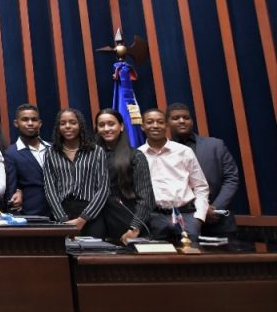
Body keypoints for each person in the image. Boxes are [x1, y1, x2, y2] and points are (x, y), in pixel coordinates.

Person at [166, 103, 240, 237]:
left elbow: (231, 178)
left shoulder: (215, 145)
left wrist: (216, 207)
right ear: (167, 123)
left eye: (186, 117)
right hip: (180, 223)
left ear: (192, 121)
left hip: (217, 221)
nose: (182, 121)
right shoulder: (162, 152)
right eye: (176, 118)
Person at [139, 108, 210, 243]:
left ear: (166, 125)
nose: (155, 126)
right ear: (143, 126)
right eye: (150, 122)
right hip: (154, 217)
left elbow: (200, 186)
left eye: (160, 122)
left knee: (191, 260)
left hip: (186, 216)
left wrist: (199, 217)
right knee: (158, 259)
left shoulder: (184, 151)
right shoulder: (137, 155)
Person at [42, 109, 109, 237]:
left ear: (80, 125)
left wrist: (83, 219)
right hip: (62, 212)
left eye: (72, 122)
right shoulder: (51, 153)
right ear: (58, 127)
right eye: (63, 123)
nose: (67, 126)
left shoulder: (96, 151)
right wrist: (63, 219)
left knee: (93, 255)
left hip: (91, 213)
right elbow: (50, 189)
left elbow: (103, 188)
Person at [95, 109, 154, 244]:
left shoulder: (136, 156)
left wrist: (135, 228)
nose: (106, 129)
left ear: (121, 126)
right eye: (101, 125)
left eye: (111, 124)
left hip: (127, 224)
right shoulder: (91, 156)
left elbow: (146, 197)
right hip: (98, 224)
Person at [3, 104, 52, 216]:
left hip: (60, 214)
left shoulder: (53, 148)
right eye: (25, 119)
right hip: (30, 215)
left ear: (40, 123)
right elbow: (11, 190)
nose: (30, 123)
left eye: (34, 120)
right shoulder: (11, 153)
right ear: (16, 123)